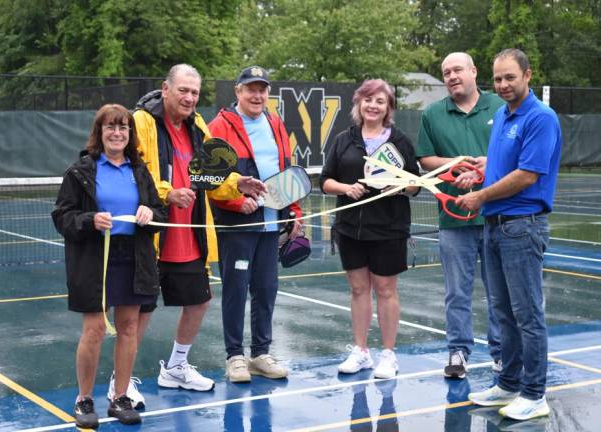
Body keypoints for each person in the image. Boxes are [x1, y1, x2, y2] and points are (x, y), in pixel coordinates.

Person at [133, 64, 265, 392]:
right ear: (165, 89)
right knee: (139, 310)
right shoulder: (141, 122)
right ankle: (121, 382)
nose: (190, 98)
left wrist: (239, 183)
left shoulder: (198, 127)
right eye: (183, 90)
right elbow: (132, 173)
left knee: (198, 302)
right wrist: (167, 193)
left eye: (195, 92)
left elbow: (211, 176)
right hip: (150, 234)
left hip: (190, 233)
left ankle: (176, 367)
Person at [456, 48, 561, 421]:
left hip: (522, 227)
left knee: (527, 314)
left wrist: (480, 195)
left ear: (527, 75)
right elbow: (507, 165)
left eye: (509, 78)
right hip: (495, 226)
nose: (502, 85)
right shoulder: (502, 114)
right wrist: (483, 170)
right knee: (503, 313)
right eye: (497, 79)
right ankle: (509, 383)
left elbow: (527, 175)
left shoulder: (541, 117)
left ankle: (534, 393)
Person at [52, 104, 166, 428]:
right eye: (110, 128)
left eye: (123, 128)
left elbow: (160, 213)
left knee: (129, 328)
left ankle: (119, 398)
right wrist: (90, 220)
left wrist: (150, 214)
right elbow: (62, 216)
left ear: (129, 134)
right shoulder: (81, 171)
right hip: (94, 259)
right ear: (99, 133)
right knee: (95, 329)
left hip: (134, 257)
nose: (117, 133)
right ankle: (84, 399)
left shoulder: (139, 171)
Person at [319, 79, 419, 379]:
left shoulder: (399, 141)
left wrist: (399, 186)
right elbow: (325, 181)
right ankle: (360, 351)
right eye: (368, 100)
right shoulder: (344, 140)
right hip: (351, 229)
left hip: (389, 228)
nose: (373, 106)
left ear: (388, 108)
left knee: (386, 290)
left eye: (380, 101)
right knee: (359, 289)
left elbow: (416, 184)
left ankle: (388, 354)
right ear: (359, 105)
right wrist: (346, 188)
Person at [208, 66, 302, 382]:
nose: (257, 95)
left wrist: (295, 212)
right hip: (238, 224)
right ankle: (235, 357)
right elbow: (210, 178)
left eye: (262, 89)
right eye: (251, 89)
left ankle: (261, 354)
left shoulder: (275, 123)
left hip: (271, 223)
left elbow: (286, 170)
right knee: (236, 290)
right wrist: (236, 201)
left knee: (266, 288)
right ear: (238, 92)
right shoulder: (219, 125)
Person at [416, 52, 504, 379]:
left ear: (473, 72)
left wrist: (485, 163)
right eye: (446, 72)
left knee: (500, 290)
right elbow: (425, 158)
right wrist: (457, 164)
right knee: (457, 291)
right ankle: (458, 352)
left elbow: (512, 151)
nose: (451, 76)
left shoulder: (500, 106)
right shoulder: (433, 114)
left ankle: (501, 353)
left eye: (457, 70)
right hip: (453, 218)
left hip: (496, 214)